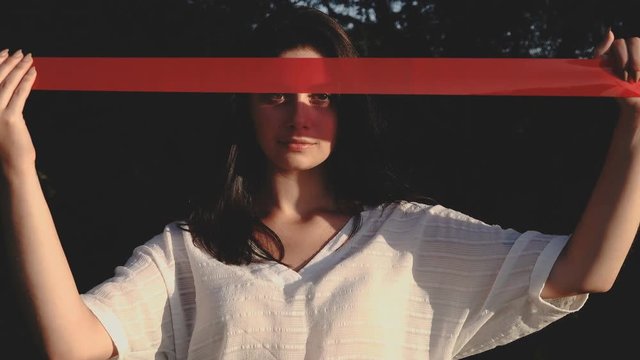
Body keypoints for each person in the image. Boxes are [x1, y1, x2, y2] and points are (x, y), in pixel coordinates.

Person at [1, 5, 639, 360]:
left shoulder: (411, 235)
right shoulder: (189, 251)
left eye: (322, 97)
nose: (300, 115)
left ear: (349, 108)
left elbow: (586, 270)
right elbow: (71, 344)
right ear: (245, 109)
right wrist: (17, 166)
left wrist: (636, 126)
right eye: (276, 95)